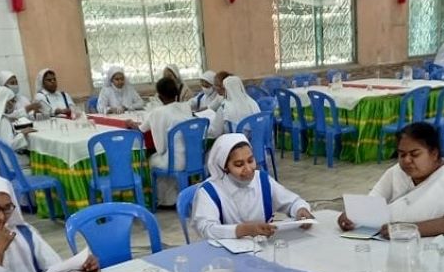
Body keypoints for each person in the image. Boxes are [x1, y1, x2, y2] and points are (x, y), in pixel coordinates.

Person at [337, 122, 444, 243]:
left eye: (414, 154)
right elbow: (374, 200)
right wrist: (354, 215)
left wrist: (405, 230)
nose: (407, 160)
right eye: (402, 154)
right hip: (397, 243)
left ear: (434, 154)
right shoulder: (396, 172)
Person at [191, 133, 315, 240]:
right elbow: (207, 229)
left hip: (263, 247)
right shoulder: (210, 192)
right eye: (239, 164)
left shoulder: (261, 180)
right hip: (225, 257)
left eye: (250, 161)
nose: (249, 169)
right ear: (224, 167)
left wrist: (300, 209)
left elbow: (292, 202)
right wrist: (243, 230)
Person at [120, 77, 194, 207]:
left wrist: (131, 124)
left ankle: (164, 200)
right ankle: (173, 196)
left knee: (152, 159)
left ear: (159, 96)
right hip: (193, 158)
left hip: (174, 161)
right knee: (162, 156)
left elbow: (142, 129)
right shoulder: (186, 107)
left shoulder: (158, 112)